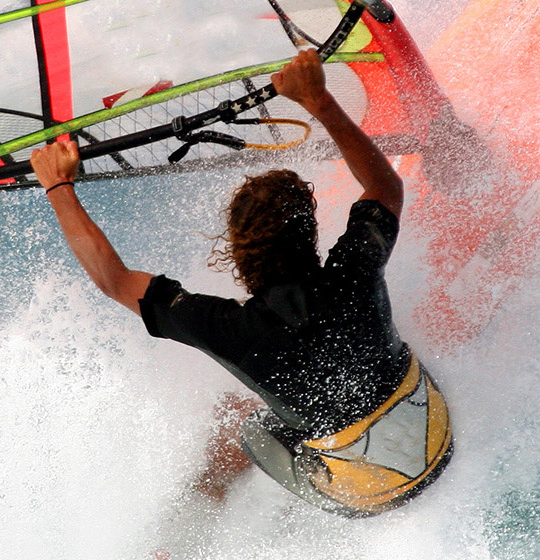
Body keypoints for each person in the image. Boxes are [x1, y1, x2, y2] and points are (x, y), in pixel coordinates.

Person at [30, 49, 452, 518]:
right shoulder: (354, 272)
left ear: (237, 250)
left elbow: (114, 280)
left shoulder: (227, 328)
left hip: (365, 495)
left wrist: (57, 186)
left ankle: (200, 513)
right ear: (311, 234)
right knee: (365, 374)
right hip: (438, 441)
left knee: (237, 421)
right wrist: (319, 100)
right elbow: (384, 186)